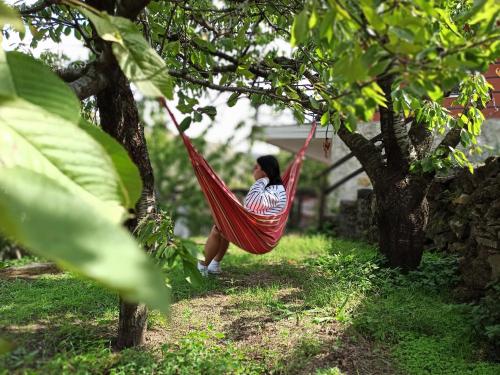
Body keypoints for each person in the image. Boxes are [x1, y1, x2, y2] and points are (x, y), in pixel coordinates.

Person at [197, 155, 287, 276]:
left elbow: (251, 202)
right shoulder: (275, 189)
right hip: (258, 232)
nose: (253, 170)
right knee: (224, 226)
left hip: (259, 237)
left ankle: (202, 266)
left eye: (257, 167)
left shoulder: (276, 190)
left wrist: (263, 179)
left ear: (265, 171)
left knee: (218, 229)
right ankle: (214, 265)